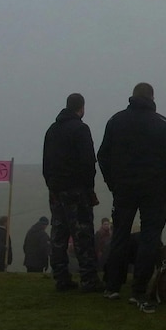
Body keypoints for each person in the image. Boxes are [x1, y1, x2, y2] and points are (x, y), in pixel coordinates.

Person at [98, 82, 166, 313]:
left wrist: (112, 183)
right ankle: (138, 290)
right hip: (154, 190)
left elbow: (103, 155)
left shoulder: (116, 121)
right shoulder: (163, 124)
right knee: (149, 238)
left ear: (133, 97)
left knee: (120, 235)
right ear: (152, 97)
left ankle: (113, 286)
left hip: (124, 188)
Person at [42, 92, 103, 292]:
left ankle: (61, 277)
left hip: (56, 191)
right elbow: (88, 163)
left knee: (58, 236)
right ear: (81, 108)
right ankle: (88, 279)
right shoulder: (81, 129)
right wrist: (89, 189)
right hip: (77, 191)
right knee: (83, 235)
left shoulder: (52, 130)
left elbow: (46, 164)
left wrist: (51, 186)